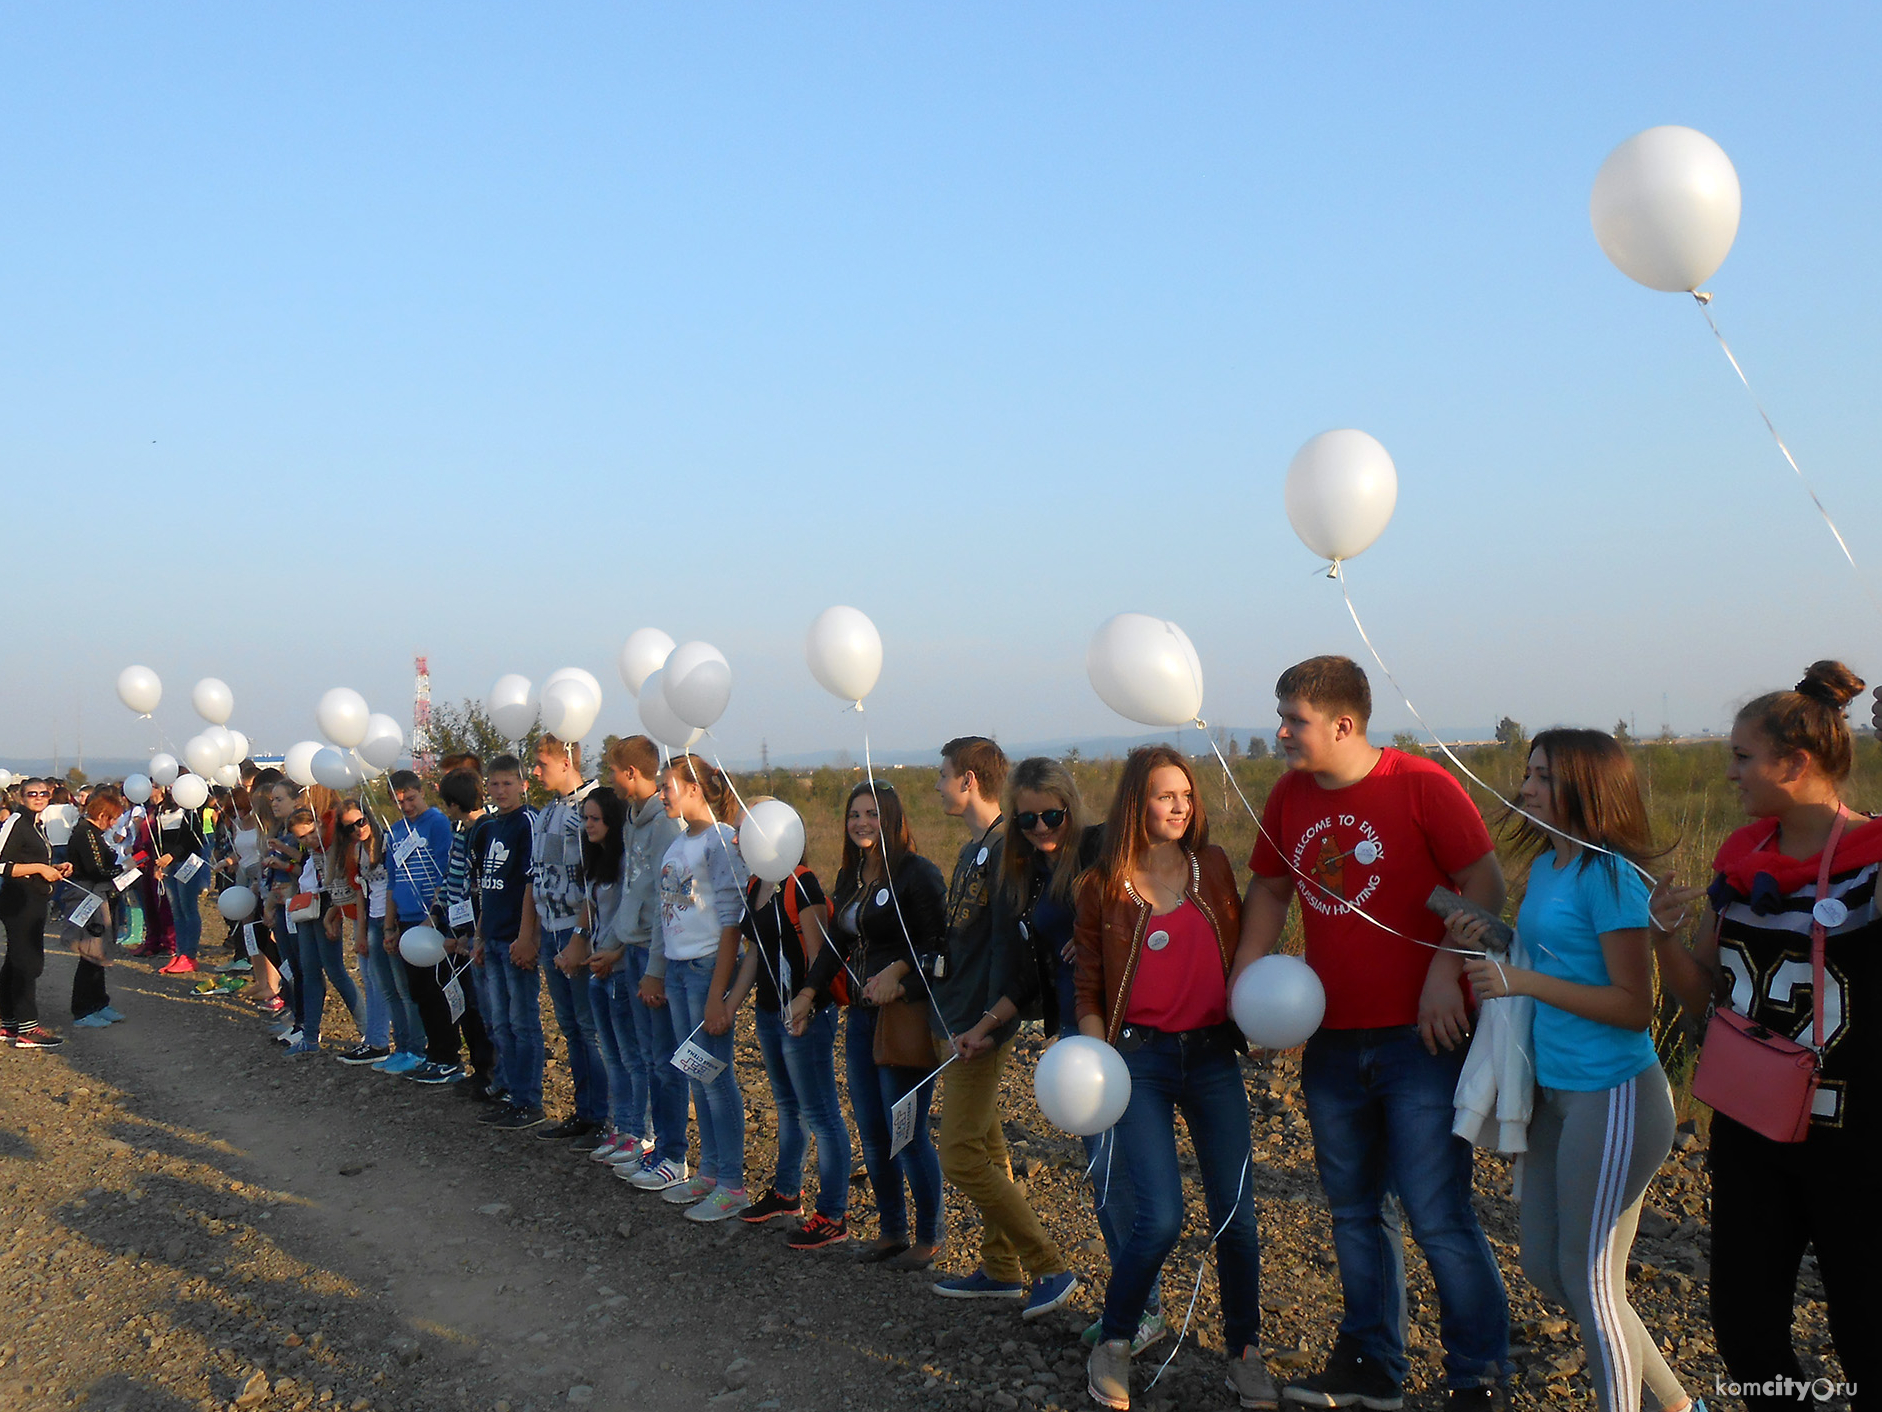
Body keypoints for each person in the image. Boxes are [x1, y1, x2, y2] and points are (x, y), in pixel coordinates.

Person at [1237, 657, 1510, 1409]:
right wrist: (1248, 980)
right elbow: (1268, 885)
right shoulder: (1289, 795)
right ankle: (1371, 1367)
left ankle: (1477, 1377)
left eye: (1293, 718)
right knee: (1355, 1211)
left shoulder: (1420, 785)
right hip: (1331, 1041)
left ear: (1344, 724)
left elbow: (1485, 888)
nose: (1282, 731)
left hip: (1422, 1041)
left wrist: (1441, 975)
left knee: (1438, 1213)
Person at [1446, 731, 1701, 1412]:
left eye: (1540, 777)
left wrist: (1519, 978)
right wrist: (1497, 942)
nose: (1524, 788)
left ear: (1582, 791)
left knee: (1590, 1282)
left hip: (1615, 1095)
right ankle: (1677, 1407)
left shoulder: (1609, 876)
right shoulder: (1550, 871)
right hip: (1557, 1094)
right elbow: (1557, 961)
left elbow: (1631, 1007)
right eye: (1527, 773)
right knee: (1548, 1268)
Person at [1651, 662, 1875, 1412]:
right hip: (1749, 1132)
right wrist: (1663, 938)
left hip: (1855, 1141)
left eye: (1743, 757)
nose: (1730, 773)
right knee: (1744, 1330)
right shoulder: (1739, 860)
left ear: (1795, 763)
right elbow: (1698, 1001)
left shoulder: (1874, 864)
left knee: (1865, 1333)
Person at [1073, 747, 1272, 1410]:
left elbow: (1244, 949)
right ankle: (1116, 1343)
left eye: (1187, 794)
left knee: (1236, 1218)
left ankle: (1244, 1352)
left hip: (1213, 1057)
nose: (1181, 806)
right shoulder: (1103, 884)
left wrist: (1261, 1018)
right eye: (1166, 795)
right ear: (1139, 803)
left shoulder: (1211, 867)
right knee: (1158, 1221)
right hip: (1139, 1062)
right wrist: (1098, 1064)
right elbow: (1090, 988)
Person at [956, 756, 1167, 1352]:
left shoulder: (1103, 848)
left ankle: (1144, 1308)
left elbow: (1156, 898)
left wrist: (1099, 932)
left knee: (1133, 1176)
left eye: (1052, 815)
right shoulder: (1023, 874)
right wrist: (986, 1025)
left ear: (1071, 808)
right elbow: (1026, 976)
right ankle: (1136, 1305)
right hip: (1078, 1039)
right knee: (1105, 1177)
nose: (1042, 827)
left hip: (1133, 1027)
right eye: (1027, 820)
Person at [921, 737, 1078, 1314]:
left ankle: (1049, 1267)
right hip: (957, 1018)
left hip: (978, 1027)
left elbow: (1009, 957)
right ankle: (1001, 1267)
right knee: (988, 1145)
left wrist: (985, 1026)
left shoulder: (1007, 858)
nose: (936, 785)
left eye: (943, 775)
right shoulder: (972, 853)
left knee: (959, 1154)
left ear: (968, 781)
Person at [804, 782, 948, 1268]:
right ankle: (892, 1230)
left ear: (891, 818)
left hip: (903, 1018)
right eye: (854, 814)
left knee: (906, 1130)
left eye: (871, 813)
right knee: (872, 1131)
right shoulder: (851, 875)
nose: (861, 822)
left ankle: (929, 1237)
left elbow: (939, 947)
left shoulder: (917, 874)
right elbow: (834, 946)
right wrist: (809, 991)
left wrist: (900, 976)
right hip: (861, 1020)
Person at [730, 813, 852, 1244]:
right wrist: (731, 1004)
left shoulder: (803, 884)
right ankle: (786, 1192)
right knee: (787, 1105)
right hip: (769, 1012)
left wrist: (805, 1006)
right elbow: (754, 955)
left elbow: (819, 958)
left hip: (804, 1015)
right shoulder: (755, 884)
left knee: (821, 1113)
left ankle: (833, 1214)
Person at [652, 753, 751, 1222]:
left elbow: (732, 922)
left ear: (693, 788)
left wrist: (719, 994)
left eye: (667, 786)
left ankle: (732, 1182)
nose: (661, 794)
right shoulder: (679, 842)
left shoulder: (721, 841)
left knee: (715, 1077)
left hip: (706, 968)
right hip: (678, 968)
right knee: (696, 1075)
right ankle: (709, 1171)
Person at [606, 736, 689, 1192]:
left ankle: (675, 1154)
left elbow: (663, 903)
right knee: (647, 1055)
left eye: (613, 770)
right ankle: (657, 1144)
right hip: (634, 950)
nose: (609, 778)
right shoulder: (632, 821)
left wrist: (654, 968)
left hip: (653, 957)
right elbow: (631, 889)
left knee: (664, 1060)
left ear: (631, 774)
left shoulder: (664, 829)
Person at [524, 737, 607, 1141]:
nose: (535, 772)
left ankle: (605, 1117)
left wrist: (580, 935)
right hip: (550, 932)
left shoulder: (592, 807)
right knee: (571, 1027)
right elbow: (536, 876)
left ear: (566, 760)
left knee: (590, 1028)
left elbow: (598, 880)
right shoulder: (546, 813)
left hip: (579, 934)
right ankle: (585, 1112)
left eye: (542, 763)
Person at [580, 786, 650, 1165]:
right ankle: (621, 1127)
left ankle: (641, 1132)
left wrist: (615, 953)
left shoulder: (625, 864)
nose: (589, 825)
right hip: (598, 967)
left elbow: (629, 918)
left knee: (632, 1056)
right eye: (585, 819)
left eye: (595, 819)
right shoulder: (597, 860)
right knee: (612, 1055)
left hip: (620, 969)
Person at [473, 755, 543, 1128]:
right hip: (495, 936)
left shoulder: (527, 824)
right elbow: (489, 887)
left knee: (523, 1021)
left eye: (507, 784)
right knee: (500, 1022)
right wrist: (481, 935)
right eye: (494, 785)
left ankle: (530, 1100)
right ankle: (513, 1093)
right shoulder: (490, 827)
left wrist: (526, 936)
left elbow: (531, 883)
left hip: (517, 939)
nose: (501, 791)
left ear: (522, 785)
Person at [383, 770, 458, 1079]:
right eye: (400, 802)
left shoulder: (438, 824)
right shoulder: (395, 831)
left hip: (432, 918)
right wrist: (390, 925)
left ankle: (449, 1055)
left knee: (437, 989)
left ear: (421, 792)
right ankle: (433, 1052)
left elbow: (446, 870)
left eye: (411, 799)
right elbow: (391, 880)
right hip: (407, 918)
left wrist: (435, 914)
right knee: (418, 991)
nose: (407, 807)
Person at [283, 805, 361, 1057]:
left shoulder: (331, 848)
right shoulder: (314, 852)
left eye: (310, 832)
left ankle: (368, 1030)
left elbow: (339, 884)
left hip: (327, 906)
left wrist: (335, 915)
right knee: (309, 970)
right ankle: (310, 1035)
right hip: (308, 908)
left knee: (336, 970)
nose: (308, 839)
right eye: (301, 837)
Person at [3, 779, 74, 1048]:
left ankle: (8, 1021)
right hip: (18, 901)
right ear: (21, 797)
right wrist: (39, 868)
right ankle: (27, 1028)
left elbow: (30, 862)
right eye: (32, 794)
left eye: (44, 793)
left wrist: (54, 868)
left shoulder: (35, 823)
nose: (39, 797)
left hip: (34, 898)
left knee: (15, 960)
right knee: (28, 963)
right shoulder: (17, 821)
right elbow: (2, 864)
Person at [330, 801, 391, 1067]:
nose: (358, 829)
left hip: (388, 918)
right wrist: (361, 932)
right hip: (369, 917)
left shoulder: (388, 843)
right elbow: (360, 892)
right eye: (350, 827)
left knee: (383, 984)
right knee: (370, 979)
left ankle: (380, 1041)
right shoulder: (357, 851)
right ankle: (374, 1039)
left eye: (361, 822)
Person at [65, 786, 130, 1028]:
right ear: (103, 815)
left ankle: (99, 1002)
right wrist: (123, 869)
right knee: (90, 953)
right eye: (112, 819)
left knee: (100, 952)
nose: (113, 824)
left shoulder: (94, 834)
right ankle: (82, 1009)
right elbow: (96, 869)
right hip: (89, 894)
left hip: (100, 894)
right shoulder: (85, 834)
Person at [153, 781, 213, 976]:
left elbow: (193, 838)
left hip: (187, 863)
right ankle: (180, 952)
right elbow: (159, 838)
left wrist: (173, 855)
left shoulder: (191, 810)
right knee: (176, 911)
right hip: (168, 865)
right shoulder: (161, 809)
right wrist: (159, 864)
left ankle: (190, 954)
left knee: (188, 908)